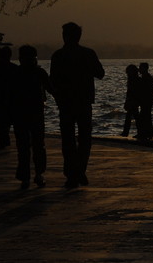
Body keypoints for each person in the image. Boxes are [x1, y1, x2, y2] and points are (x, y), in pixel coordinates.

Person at [49, 22, 105, 189]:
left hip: (66, 103)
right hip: (84, 101)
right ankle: (79, 171)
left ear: (65, 36)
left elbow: (53, 81)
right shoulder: (88, 54)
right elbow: (100, 74)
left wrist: (58, 97)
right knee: (84, 139)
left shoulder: (58, 56)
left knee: (68, 139)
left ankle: (72, 172)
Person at [9, 45, 53, 189]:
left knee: (24, 146)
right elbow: (51, 89)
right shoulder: (39, 72)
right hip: (34, 113)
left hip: (20, 113)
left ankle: (25, 177)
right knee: (38, 145)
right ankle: (38, 174)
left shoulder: (16, 73)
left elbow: (9, 95)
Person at [136, 62, 153, 140]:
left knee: (145, 116)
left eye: (140, 68)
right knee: (145, 116)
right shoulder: (146, 77)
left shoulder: (146, 78)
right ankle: (145, 133)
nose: (139, 70)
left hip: (147, 100)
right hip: (147, 99)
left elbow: (146, 90)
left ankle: (147, 134)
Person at [119, 64, 140, 137]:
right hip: (133, 101)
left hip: (133, 101)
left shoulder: (133, 81)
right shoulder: (135, 80)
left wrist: (128, 101)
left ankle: (126, 132)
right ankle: (127, 132)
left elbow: (131, 92)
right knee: (134, 116)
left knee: (131, 117)